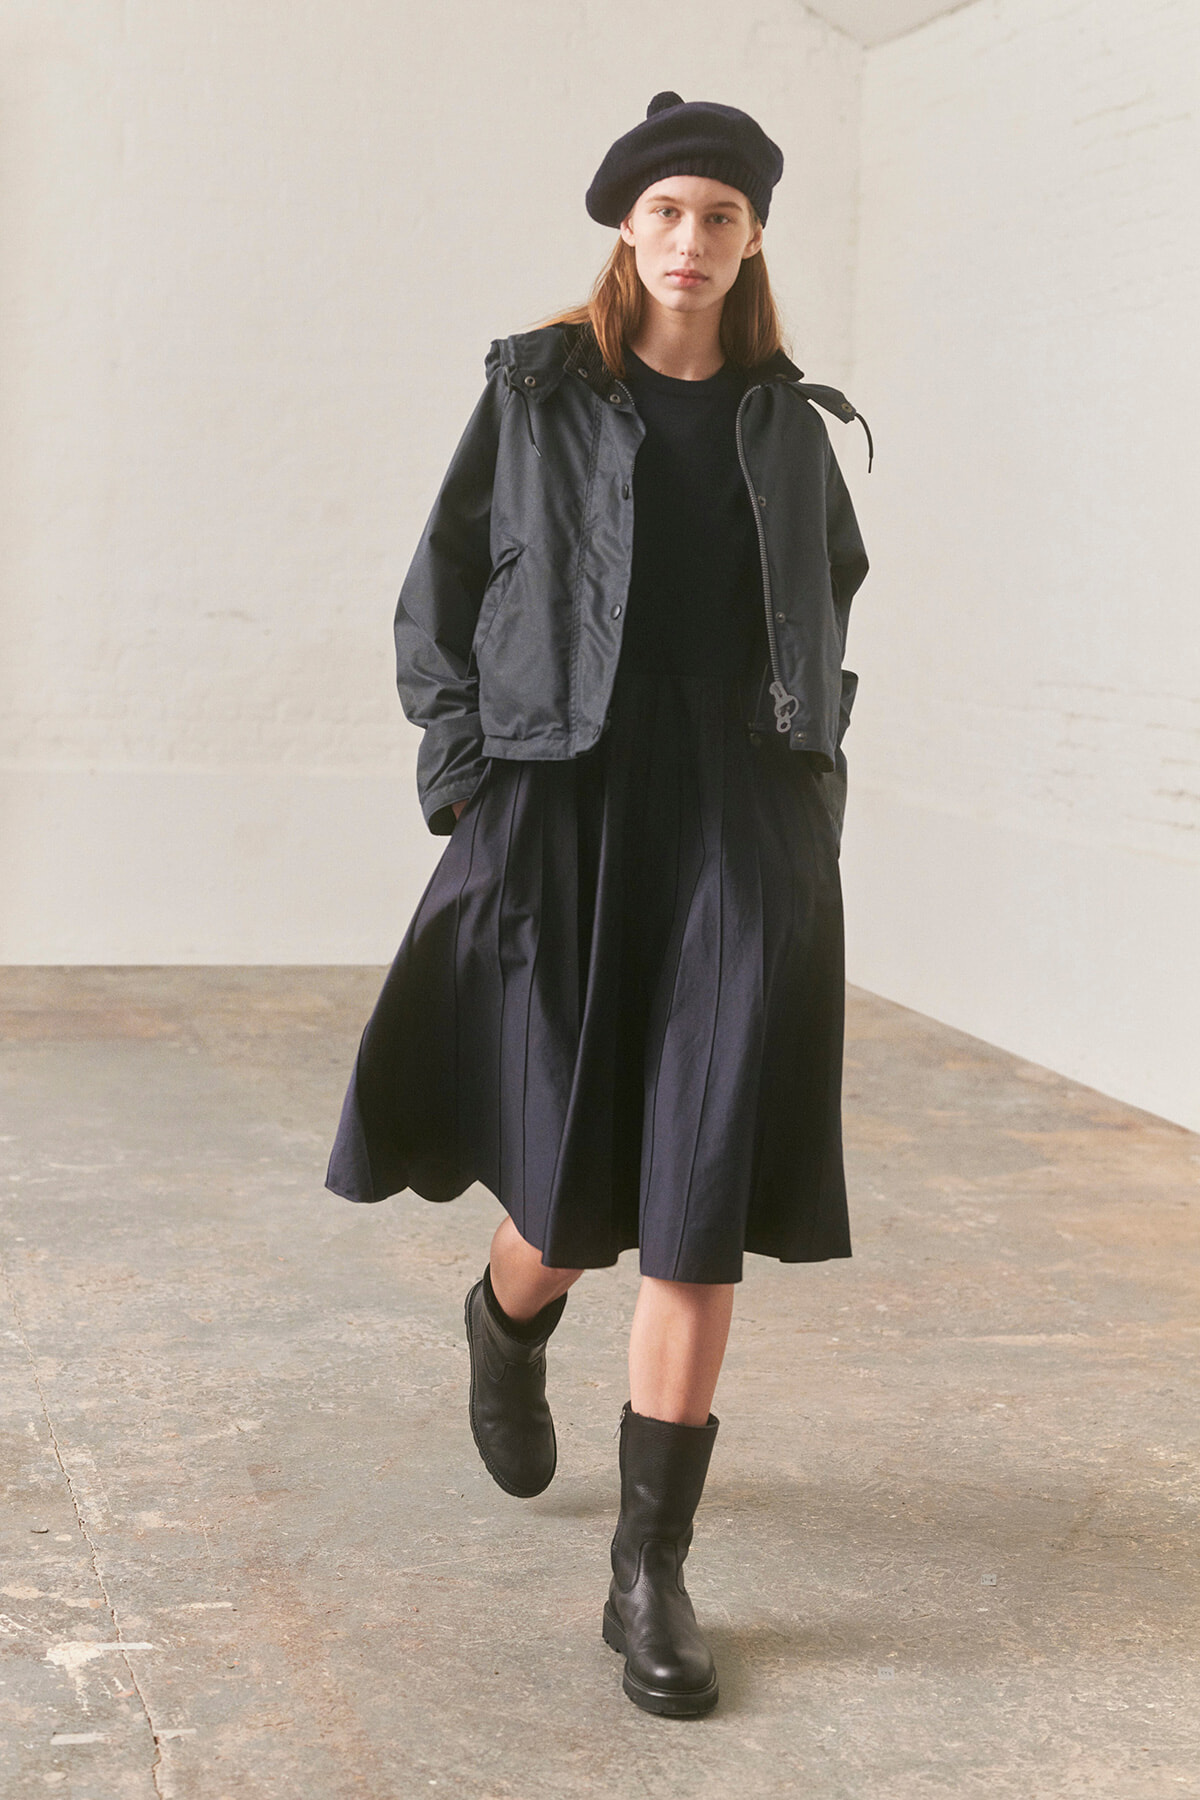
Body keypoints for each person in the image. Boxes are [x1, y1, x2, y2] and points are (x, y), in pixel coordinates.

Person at [326, 90, 871, 1718]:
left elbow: (825, 610)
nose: (689, 241)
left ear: (753, 236)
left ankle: (649, 1571)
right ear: (623, 233)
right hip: (567, 784)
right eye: (663, 215)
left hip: (741, 815)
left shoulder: (789, 420)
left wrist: (812, 790)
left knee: (699, 1176)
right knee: (569, 1190)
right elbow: (441, 586)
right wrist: (465, 771)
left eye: (719, 215)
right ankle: (507, 1321)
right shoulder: (543, 389)